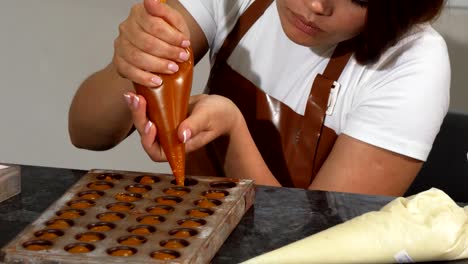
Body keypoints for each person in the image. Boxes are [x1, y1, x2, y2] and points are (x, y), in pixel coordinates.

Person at [68, 0, 449, 196]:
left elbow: (321, 248)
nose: (317, 6)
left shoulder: (413, 61)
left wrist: (233, 133)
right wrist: (132, 61)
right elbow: (86, 134)